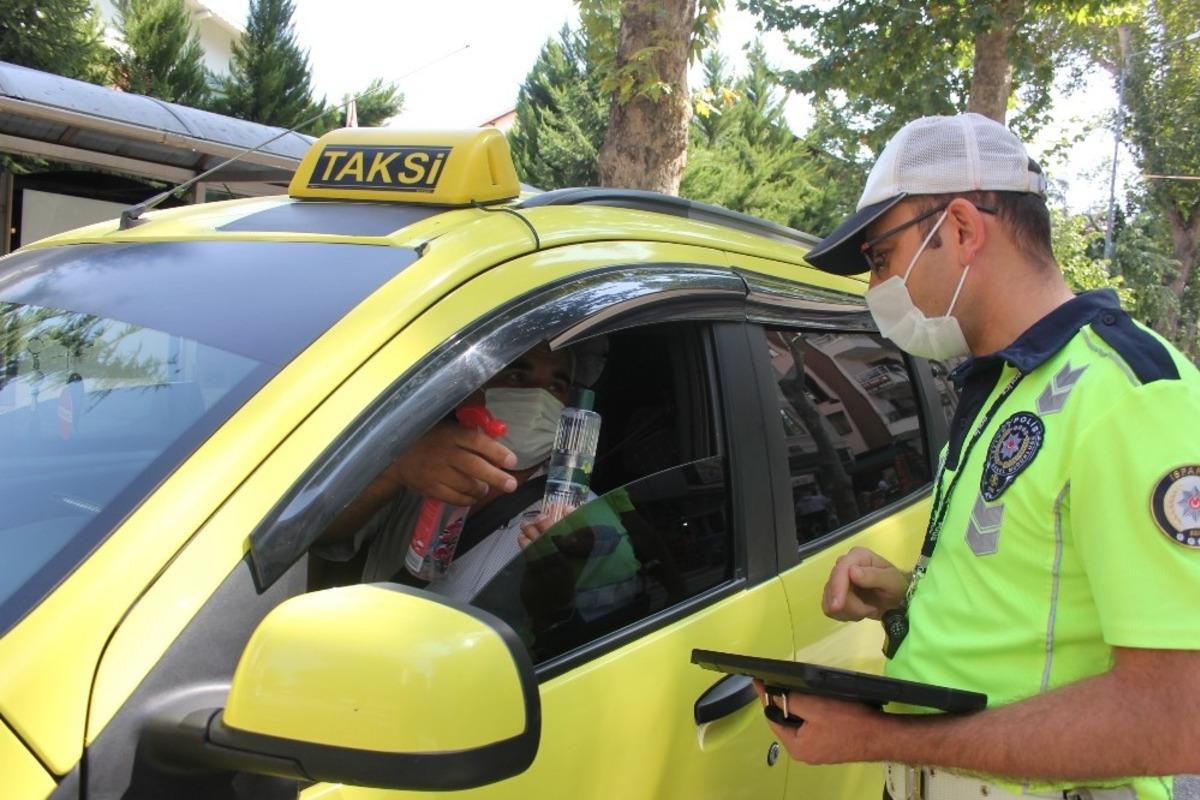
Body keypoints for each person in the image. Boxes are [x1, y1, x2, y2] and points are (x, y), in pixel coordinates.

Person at [762, 113, 1200, 799]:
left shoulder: (1128, 397)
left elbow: (1179, 717)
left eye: (881, 257)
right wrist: (908, 598)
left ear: (962, 228)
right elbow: (1042, 599)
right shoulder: (1004, 382)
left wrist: (877, 734)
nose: (876, 287)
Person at [314, 340, 604, 601]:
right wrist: (394, 469)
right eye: (516, 376)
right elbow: (323, 536)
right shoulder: (420, 463)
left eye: (556, 387)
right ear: (469, 391)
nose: (539, 398)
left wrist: (563, 586)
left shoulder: (579, 515)